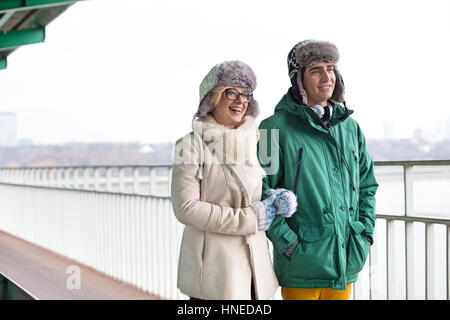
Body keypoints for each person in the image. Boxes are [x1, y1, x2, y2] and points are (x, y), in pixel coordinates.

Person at [258, 40, 379, 300]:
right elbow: (261, 193)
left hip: (345, 260)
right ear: (298, 79)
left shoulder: (351, 128)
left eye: (331, 68)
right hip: (301, 264)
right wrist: (289, 243)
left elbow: (367, 185)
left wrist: (365, 233)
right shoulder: (271, 129)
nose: (327, 77)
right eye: (316, 70)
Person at [171, 60, 297, 300]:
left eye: (246, 94)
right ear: (212, 98)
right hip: (216, 273)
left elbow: (253, 194)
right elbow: (185, 209)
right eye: (232, 92)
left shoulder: (255, 140)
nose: (241, 100)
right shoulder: (189, 145)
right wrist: (249, 218)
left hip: (255, 271)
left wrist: (275, 199)